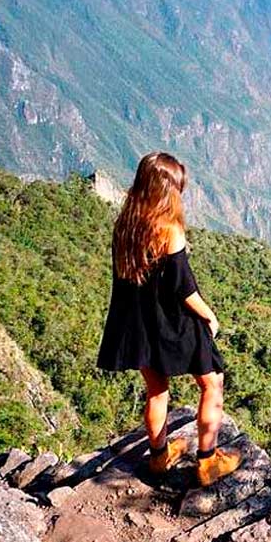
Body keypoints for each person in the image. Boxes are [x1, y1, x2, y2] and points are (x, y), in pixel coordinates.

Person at [96, 152, 241, 486]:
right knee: (212, 383)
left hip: (138, 324)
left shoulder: (126, 223)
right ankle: (207, 462)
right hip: (172, 324)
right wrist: (209, 316)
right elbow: (184, 289)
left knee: (157, 390)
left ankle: (159, 457)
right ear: (168, 189)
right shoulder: (169, 229)